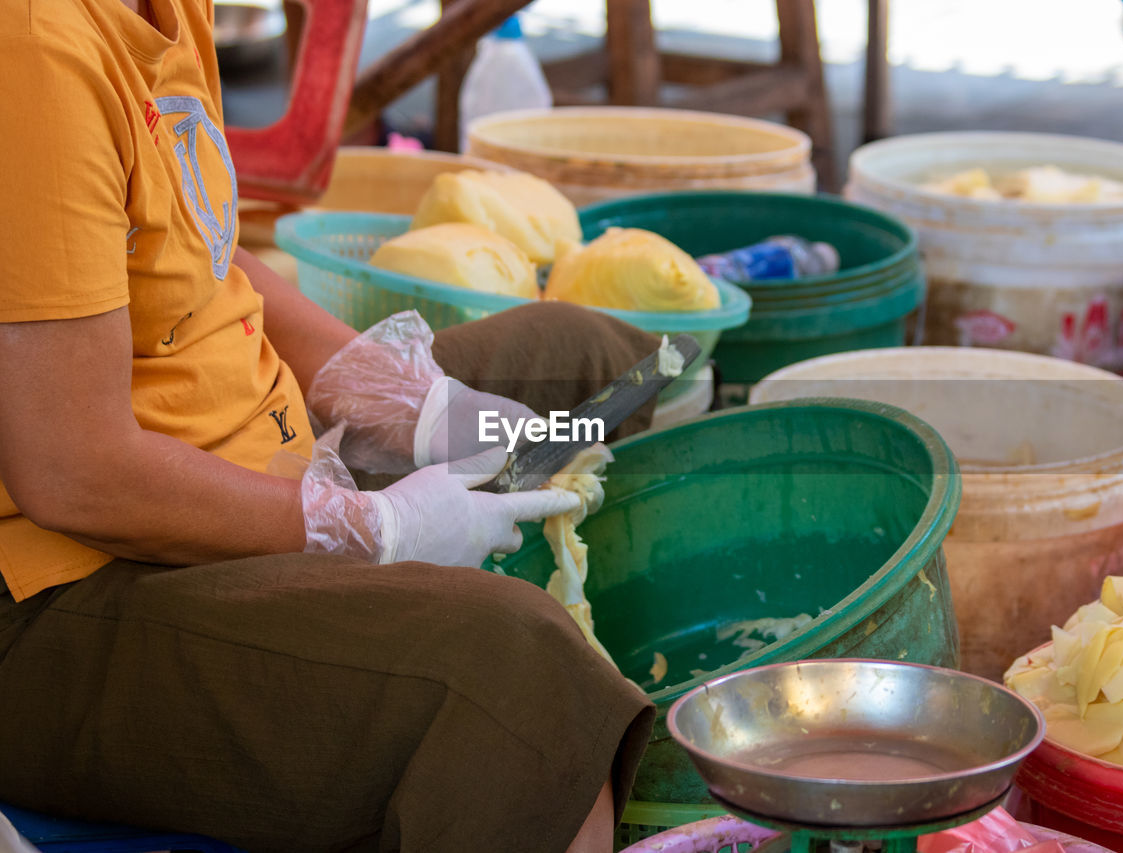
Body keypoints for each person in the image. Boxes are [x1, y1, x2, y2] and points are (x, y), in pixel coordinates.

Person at [0, 0, 660, 849]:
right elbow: (74, 471)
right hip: (66, 592)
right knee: (514, 673)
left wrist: (390, 390)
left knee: (590, 359)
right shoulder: (34, 51)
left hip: (255, 448)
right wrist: (365, 528)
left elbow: (203, 245)